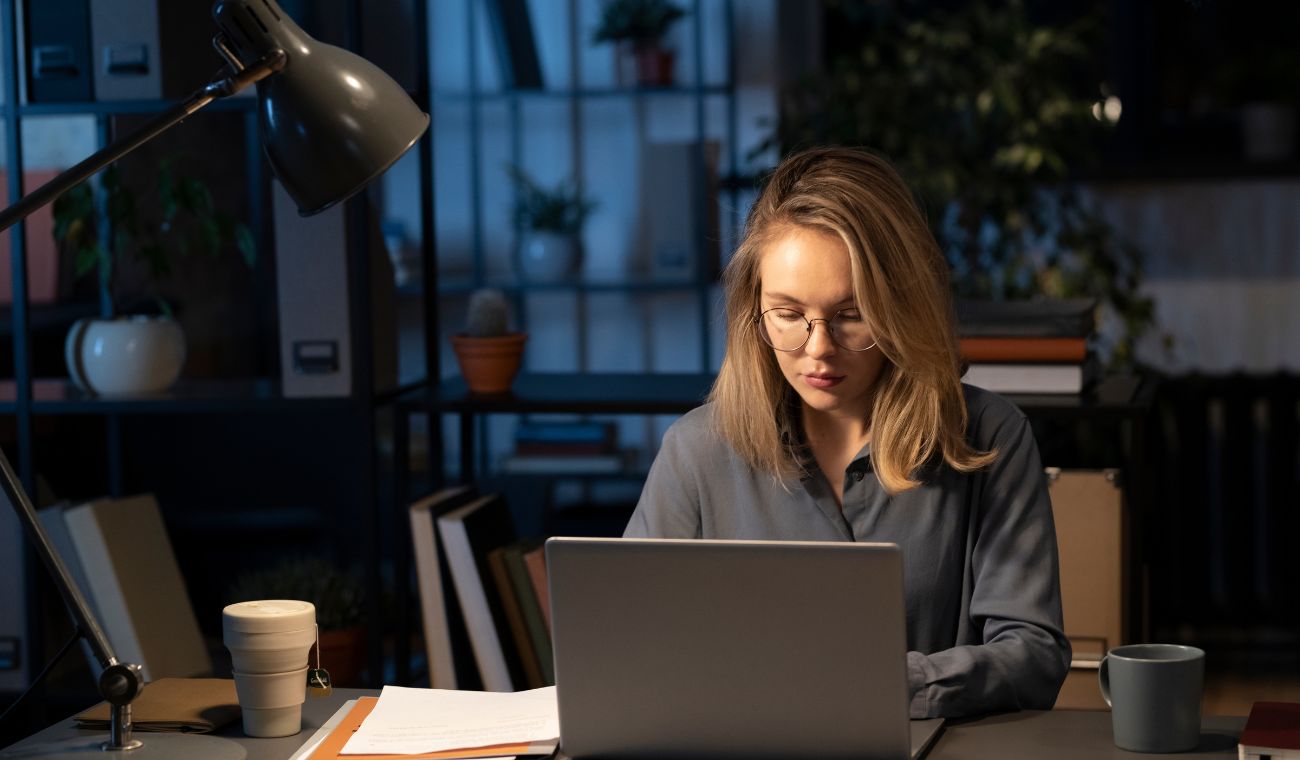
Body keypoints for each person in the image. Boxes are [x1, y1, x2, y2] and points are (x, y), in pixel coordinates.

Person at [624, 146, 1071, 719]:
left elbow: (1033, 655)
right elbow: (634, 650)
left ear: (901, 308)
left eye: (851, 314)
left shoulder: (988, 435)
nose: (818, 349)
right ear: (751, 312)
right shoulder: (696, 450)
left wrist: (880, 684)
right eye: (787, 314)